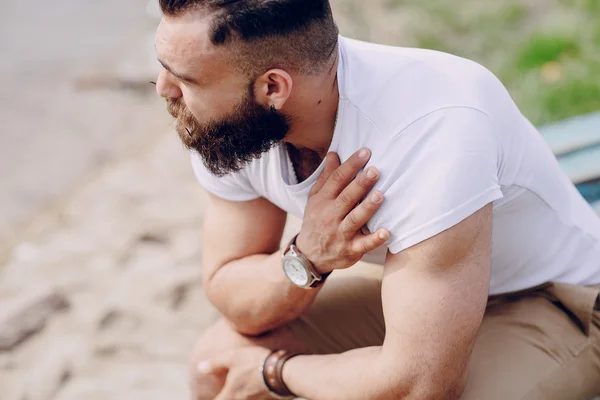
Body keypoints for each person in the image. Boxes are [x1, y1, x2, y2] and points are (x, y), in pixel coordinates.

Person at [153, 0, 600, 399]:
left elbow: (420, 385)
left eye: (184, 78)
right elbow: (231, 293)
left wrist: (276, 372)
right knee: (216, 364)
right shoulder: (229, 125)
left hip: (559, 302)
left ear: (273, 88)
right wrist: (308, 256)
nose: (163, 89)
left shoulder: (434, 127)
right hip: (420, 289)